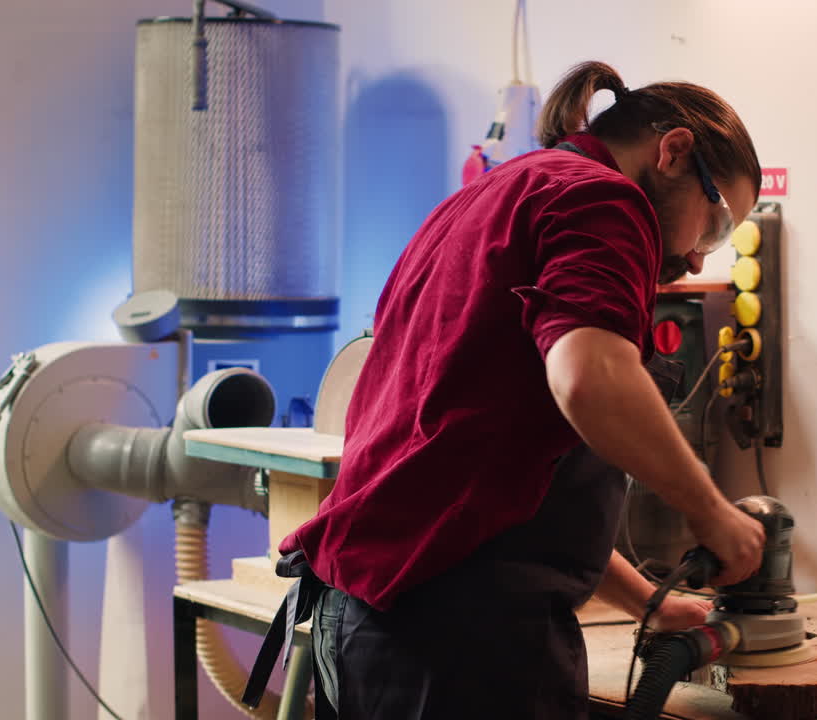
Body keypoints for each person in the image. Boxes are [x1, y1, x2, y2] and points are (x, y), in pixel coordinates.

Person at [279, 60, 766, 719]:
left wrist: (644, 601)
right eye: (715, 224)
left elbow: (497, 465)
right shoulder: (604, 201)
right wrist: (712, 514)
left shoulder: (496, 193)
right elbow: (589, 380)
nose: (702, 257)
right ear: (674, 152)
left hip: (381, 619)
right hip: (458, 635)